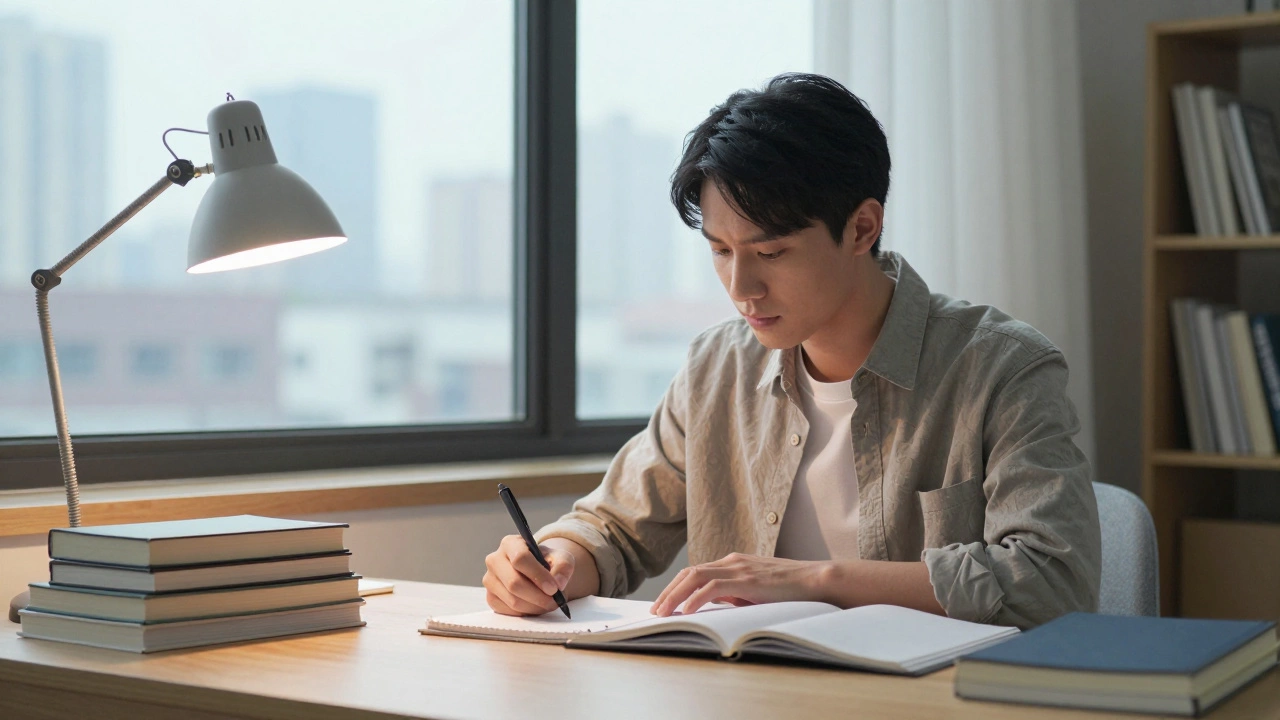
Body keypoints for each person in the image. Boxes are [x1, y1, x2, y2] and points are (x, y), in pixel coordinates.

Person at [483, 73, 1100, 630]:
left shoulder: (1002, 369)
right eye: (721, 250)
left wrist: (813, 580)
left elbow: (1052, 582)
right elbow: (615, 528)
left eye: (770, 252)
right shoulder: (715, 369)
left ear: (862, 227)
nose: (741, 287)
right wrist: (557, 562)